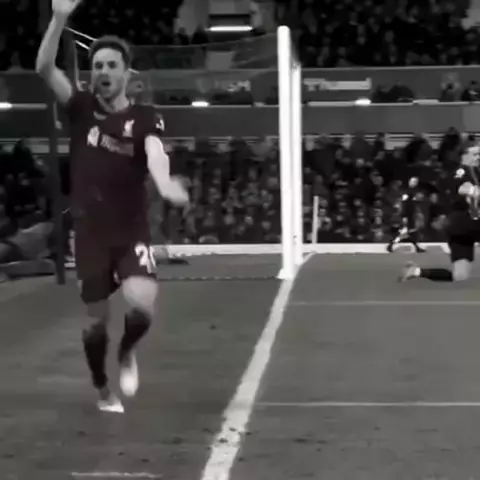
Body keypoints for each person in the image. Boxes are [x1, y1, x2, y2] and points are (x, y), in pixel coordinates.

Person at [36, 0, 189, 413]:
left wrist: (163, 182)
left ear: (126, 73)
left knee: (142, 304)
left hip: (130, 229)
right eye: (97, 65)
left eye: (111, 65)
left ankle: (126, 352)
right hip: (90, 234)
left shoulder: (145, 117)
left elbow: (156, 153)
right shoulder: (80, 108)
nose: (102, 71)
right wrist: (59, 18)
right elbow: (45, 68)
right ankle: (103, 387)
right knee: (95, 323)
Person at [399, 145, 480, 283]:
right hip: (464, 221)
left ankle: (415, 271)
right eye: (475, 154)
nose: (478, 157)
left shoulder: (474, 172)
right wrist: (473, 191)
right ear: (464, 156)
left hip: (461, 228)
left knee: (460, 275)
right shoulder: (462, 171)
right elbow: (463, 188)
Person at [387, 176, 425, 253]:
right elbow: (404, 204)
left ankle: (417, 247)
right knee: (405, 232)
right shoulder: (407, 192)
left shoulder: (413, 191)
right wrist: (404, 216)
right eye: (413, 181)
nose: (414, 183)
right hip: (407, 216)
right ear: (409, 182)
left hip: (410, 215)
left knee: (412, 232)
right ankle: (391, 244)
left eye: (416, 182)